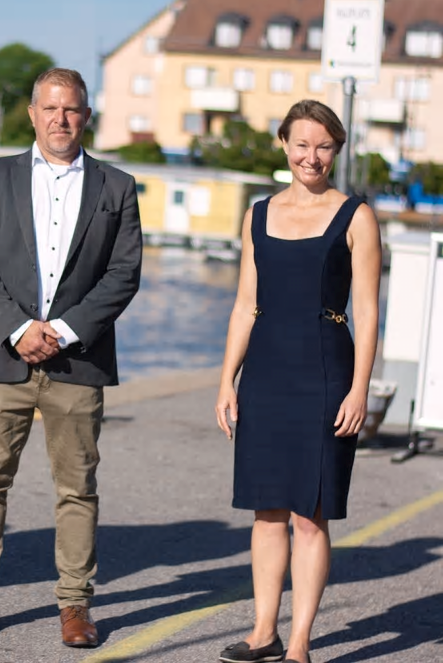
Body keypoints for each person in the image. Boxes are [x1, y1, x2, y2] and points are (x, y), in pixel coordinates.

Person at [0, 68, 143, 648]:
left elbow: (123, 273)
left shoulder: (117, 186)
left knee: (77, 487)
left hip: (76, 362)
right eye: (50, 109)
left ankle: (76, 604)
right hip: (1, 355)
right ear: (32, 113)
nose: (61, 120)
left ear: (87, 116)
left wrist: (59, 330)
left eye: (73, 110)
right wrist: (16, 328)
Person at [214, 100, 381, 663]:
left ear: (336, 150)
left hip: (326, 370)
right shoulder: (257, 214)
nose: (313, 156)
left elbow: (368, 311)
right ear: (283, 144)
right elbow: (244, 305)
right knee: (267, 512)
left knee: (310, 516)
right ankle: (264, 631)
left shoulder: (355, 216)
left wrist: (359, 388)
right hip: (265, 372)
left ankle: (301, 642)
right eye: (302, 144)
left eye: (325, 146)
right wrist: (227, 380)